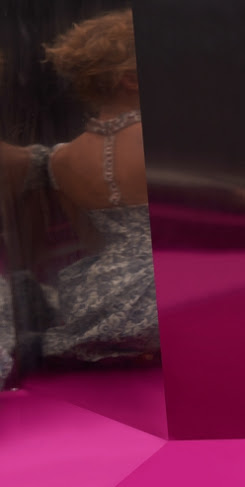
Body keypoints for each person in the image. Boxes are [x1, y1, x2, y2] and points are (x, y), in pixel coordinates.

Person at [39, 9, 159, 364]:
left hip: (99, 296)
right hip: (166, 291)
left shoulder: (61, 159)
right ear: (130, 79)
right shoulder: (164, 140)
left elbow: (90, 241)